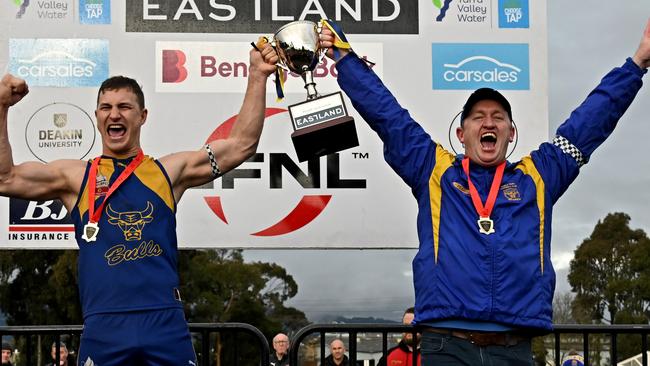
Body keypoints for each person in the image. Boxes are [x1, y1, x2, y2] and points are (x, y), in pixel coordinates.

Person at [320, 18, 650, 366]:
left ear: (511, 132)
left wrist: (638, 63)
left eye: (497, 116)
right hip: (446, 345)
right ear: (462, 135)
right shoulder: (434, 170)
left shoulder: (539, 176)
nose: (488, 122)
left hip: (513, 348)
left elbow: (589, 122)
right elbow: (388, 115)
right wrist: (346, 61)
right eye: (477, 117)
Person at [0, 42, 278, 366]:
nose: (114, 114)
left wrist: (258, 75)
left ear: (142, 116)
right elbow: (5, 179)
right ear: (96, 116)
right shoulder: (77, 177)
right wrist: (1, 107)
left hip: (164, 323)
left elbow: (241, 146)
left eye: (124, 107)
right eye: (106, 107)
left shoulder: (167, 172)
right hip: (104, 325)